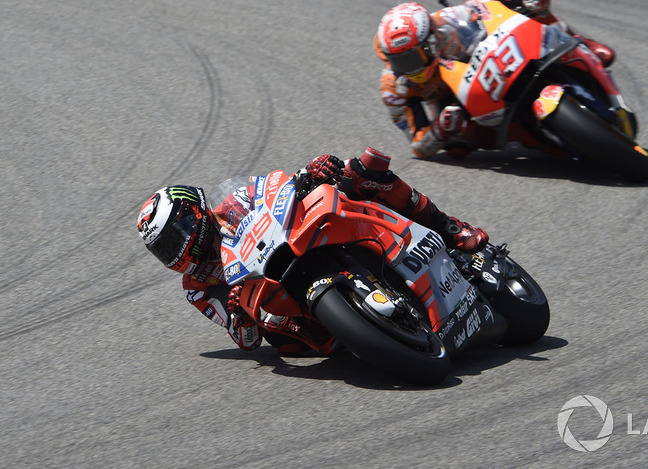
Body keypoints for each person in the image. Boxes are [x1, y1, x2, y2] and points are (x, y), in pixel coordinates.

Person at [136, 147, 488, 356]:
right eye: (163, 249)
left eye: (174, 237)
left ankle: (447, 226)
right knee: (279, 336)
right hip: (281, 299)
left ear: (194, 213)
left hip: (292, 240)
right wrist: (239, 315)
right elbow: (247, 341)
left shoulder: (234, 201)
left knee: (357, 177)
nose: (175, 251)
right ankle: (359, 328)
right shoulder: (196, 286)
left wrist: (308, 173)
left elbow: (276, 192)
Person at [375, 0, 616, 158]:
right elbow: (417, 144)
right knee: (458, 147)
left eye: (414, 56)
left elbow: (489, 1)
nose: (411, 68)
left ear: (430, 40)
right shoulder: (394, 89)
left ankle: (579, 41)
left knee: (534, 12)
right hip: (457, 100)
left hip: (491, 58)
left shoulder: (446, 22)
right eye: (401, 62)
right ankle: (534, 136)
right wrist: (440, 129)